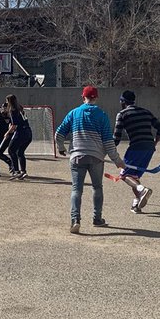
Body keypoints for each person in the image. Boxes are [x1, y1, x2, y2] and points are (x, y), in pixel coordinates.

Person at [55, 85, 122, 234]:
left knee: (76, 189)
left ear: (82, 97)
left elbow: (59, 134)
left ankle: (75, 220)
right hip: (96, 157)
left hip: (77, 156)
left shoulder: (73, 113)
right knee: (97, 187)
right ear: (96, 98)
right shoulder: (102, 115)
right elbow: (108, 142)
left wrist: (61, 148)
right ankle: (97, 218)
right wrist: (117, 161)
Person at [113, 89, 160, 213]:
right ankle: (136, 204)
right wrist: (154, 143)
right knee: (133, 176)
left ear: (122, 101)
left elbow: (116, 138)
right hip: (149, 148)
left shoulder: (122, 114)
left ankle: (141, 189)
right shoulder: (146, 112)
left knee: (124, 174)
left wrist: (106, 151)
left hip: (136, 147)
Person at [2, 94, 33, 180]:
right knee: (20, 152)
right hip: (28, 132)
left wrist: (7, 133)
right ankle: (23, 171)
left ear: (9, 102)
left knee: (11, 150)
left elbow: (14, 126)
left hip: (21, 132)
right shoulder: (20, 109)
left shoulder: (13, 110)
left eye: (7, 101)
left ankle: (16, 171)